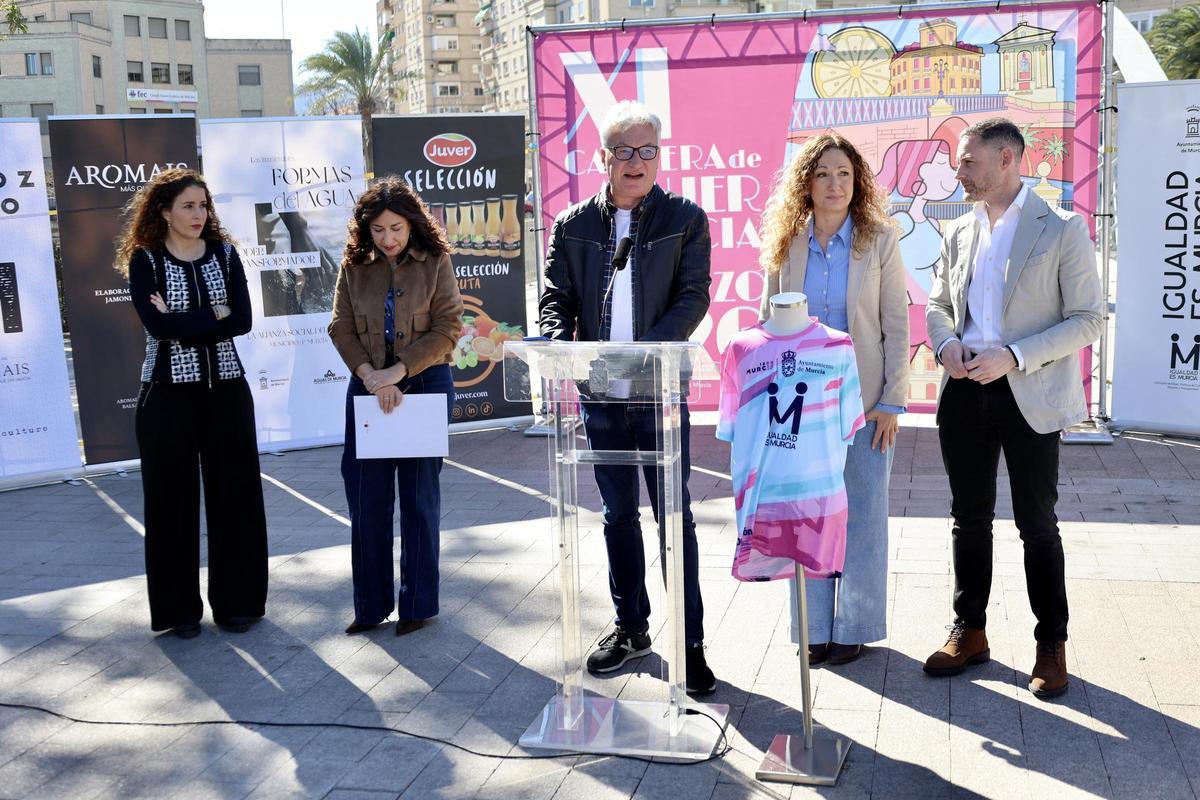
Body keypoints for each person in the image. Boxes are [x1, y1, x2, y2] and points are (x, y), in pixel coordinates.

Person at [539, 100, 716, 695]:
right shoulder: (573, 225)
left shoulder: (685, 218)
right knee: (618, 514)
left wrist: (645, 355)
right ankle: (632, 629)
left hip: (658, 389)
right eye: (624, 151)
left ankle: (690, 645)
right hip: (600, 393)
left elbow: (693, 296)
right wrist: (561, 347)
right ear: (603, 159)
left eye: (647, 151)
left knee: (673, 515)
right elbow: (556, 298)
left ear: (659, 158)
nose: (636, 161)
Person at [923, 118, 1103, 699]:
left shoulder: (1062, 228)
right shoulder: (958, 229)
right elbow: (937, 305)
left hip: (1030, 390)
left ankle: (1051, 644)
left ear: (1007, 159)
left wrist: (1015, 356)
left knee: (1037, 524)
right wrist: (946, 345)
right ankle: (970, 631)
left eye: (967, 161)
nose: (958, 170)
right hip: (964, 389)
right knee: (968, 518)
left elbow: (1087, 320)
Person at [757, 133, 910, 666]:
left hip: (865, 402)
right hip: (801, 406)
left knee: (863, 518)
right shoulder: (787, 243)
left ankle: (855, 626)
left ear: (857, 181)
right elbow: (768, 324)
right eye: (822, 173)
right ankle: (814, 626)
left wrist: (892, 402)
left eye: (844, 173)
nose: (834, 184)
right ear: (806, 183)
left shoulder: (880, 240)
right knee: (807, 518)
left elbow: (896, 324)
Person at [116, 168, 268, 639]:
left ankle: (238, 604)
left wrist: (186, 321)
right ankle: (178, 611)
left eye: (203, 205)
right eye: (188, 206)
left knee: (237, 496)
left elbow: (242, 321)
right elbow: (158, 328)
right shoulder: (145, 260)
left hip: (227, 389)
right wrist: (214, 315)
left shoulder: (225, 255)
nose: (199, 214)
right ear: (164, 211)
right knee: (171, 501)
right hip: (166, 394)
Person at [328, 177, 463, 637]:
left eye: (396, 228)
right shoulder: (353, 265)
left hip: (424, 384)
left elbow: (448, 328)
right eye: (378, 229)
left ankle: (418, 605)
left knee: (419, 498)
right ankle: (369, 606)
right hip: (367, 387)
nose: (387, 238)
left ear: (412, 224)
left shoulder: (436, 261)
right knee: (366, 499)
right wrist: (371, 375)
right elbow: (341, 327)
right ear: (365, 229)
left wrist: (397, 371)